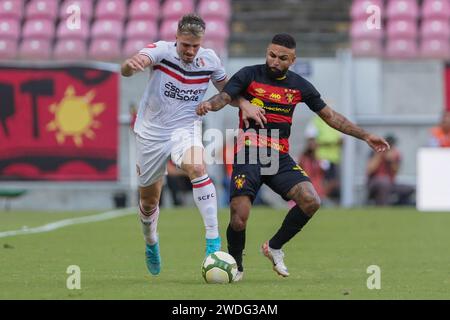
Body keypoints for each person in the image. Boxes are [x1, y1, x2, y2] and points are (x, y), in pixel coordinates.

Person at [196, 33, 389, 281]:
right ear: (267, 52)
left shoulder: (299, 86)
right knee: (239, 214)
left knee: (311, 200)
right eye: (271, 55)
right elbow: (225, 96)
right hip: (249, 151)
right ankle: (237, 265)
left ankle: (274, 247)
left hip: (278, 155)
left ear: (293, 60)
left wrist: (365, 135)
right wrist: (209, 105)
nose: (275, 61)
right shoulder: (249, 74)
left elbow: (331, 117)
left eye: (282, 58)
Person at [121, 14, 264, 276]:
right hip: (151, 133)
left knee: (198, 167)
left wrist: (244, 103)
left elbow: (227, 92)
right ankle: (151, 241)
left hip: (185, 128)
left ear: (202, 43)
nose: (189, 51)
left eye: (194, 46)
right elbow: (127, 70)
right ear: (176, 38)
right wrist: (131, 66)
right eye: (185, 45)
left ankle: (213, 243)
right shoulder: (161, 51)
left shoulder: (209, 60)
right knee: (150, 201)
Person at [366, 135, 415, 206]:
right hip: (374, 182)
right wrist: (380, 155)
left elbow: (396, 171)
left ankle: (398, 207)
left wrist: (391, 160)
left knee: (409, 189)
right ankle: (382, 208)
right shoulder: (375, 151)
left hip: (390, 183)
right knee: (383, 182)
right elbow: (370, 170)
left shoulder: (395, 155)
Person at [305, 115, 342, 203]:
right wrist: (330, 143)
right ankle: (319, 197)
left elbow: (342, 140)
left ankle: (321, 197)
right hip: (319, 158)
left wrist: (322, 143)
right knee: (319, 179)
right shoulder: (316, 121)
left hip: (333, 159)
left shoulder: (336, 121)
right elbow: (310, 139)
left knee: (331, 182)